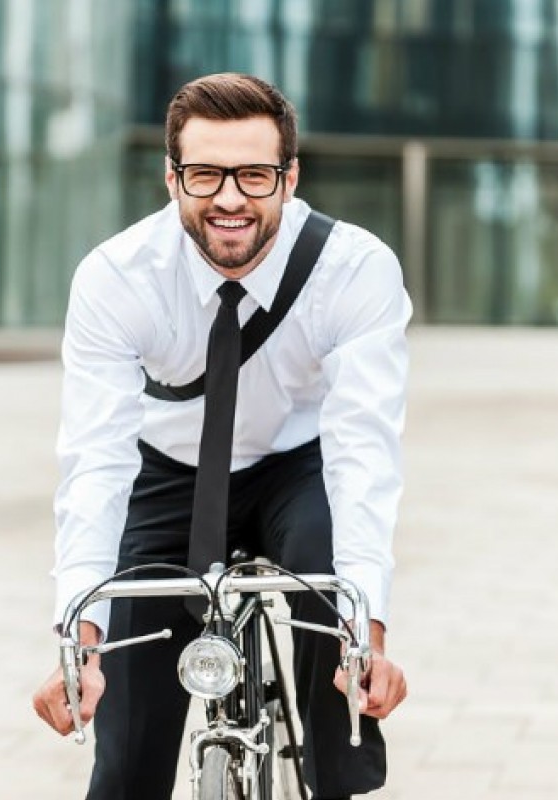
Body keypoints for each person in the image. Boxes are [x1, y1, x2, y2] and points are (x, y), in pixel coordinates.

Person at [32, 72, 410, 800]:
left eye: (255, 175)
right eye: (205, 174)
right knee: (126, 760)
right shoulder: (117, 279)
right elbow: (94, 462)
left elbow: (365, 451)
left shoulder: (355, 270)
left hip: (299, 467)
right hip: (166, 471)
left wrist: (371, 635)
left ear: (290, 179)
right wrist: (77, 642)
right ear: (170, 178)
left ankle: (338, 773)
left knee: (334, 635)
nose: (230, 198)